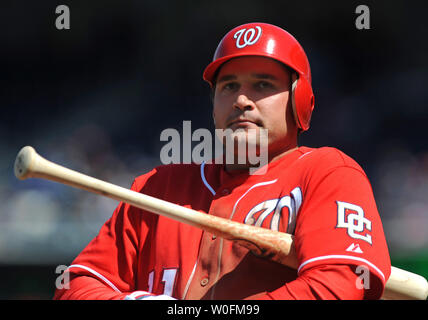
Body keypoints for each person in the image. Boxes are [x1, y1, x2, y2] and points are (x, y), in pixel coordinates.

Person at [54, 22, 391, 300]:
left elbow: (341, 286)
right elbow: (73, 285)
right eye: (229, 86)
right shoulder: (156, 187)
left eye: (262, 84)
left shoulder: (328, 173)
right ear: (214, 103)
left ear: (299, 101)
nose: (242, 100)